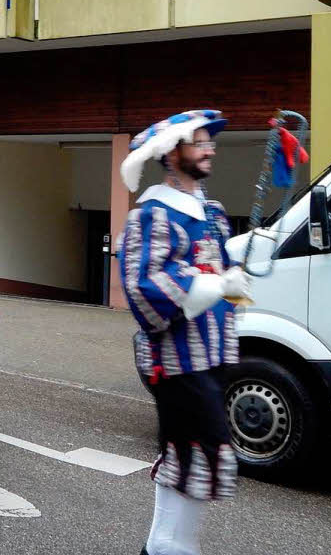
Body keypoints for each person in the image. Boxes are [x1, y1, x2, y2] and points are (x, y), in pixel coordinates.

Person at [118, 110, 251, 555]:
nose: (210, 149)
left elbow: (213, 269)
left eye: (210, 142)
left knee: (191, 454)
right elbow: (143, 289)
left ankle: (166, 547)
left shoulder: (210, 210)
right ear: (172, 155)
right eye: (199, 143)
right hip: (176, 360)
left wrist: (234, 286)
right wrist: (215, 285)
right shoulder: (151, 216)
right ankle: (172, 548)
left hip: (213, 355)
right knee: (195, 449)